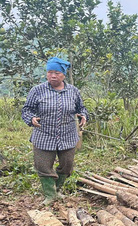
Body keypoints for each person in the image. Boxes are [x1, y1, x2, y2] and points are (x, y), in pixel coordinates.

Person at [22, 57, 88, 203]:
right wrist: (31, 118)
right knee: (43, 166)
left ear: (63, 75)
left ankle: (57, 190)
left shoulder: (73, 91)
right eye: (50, 72)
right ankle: (50, 195)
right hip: (44, 135)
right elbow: (26, 110)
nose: (53, 75)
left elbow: (81, 108)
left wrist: (83, 115)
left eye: (57, 73)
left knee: (67, 165)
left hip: (68, 135)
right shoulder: (37, 90)